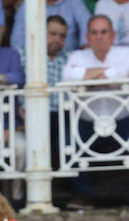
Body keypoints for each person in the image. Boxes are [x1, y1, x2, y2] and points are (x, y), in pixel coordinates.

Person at [60, 15, 129, 206]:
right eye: (94, 32)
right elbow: (68, 76)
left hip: (122, 120)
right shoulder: (77, 56)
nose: (99, 37)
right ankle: (84, 195)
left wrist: (89, 76)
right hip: (87, 121)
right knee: (66, 144)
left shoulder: (125, 54)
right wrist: (110, 73)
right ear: (87, 37)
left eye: (104, 32)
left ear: (113, 35)